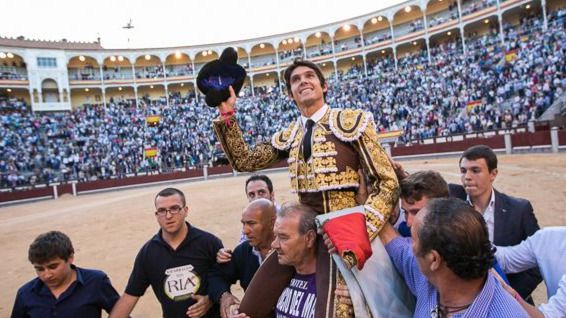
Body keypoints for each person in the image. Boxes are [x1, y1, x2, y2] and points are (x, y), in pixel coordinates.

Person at [211, 58, 399, 315]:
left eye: (309, 76)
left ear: (324, 86)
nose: (303, 81)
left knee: (337, 309)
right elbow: (245, 160)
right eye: (296, 80)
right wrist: (227, 112)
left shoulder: (352, 121)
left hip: (346, 232)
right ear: (290, 93)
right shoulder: (290, 134)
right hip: (302, 229)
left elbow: (387, 182)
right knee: (251, 306)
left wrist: (361, 228)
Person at [380, 197, 528, 317]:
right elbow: (394, 242)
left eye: (413, 240)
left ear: (434, 260)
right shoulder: (429, 277)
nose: (410, 246)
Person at [109, 187, 223, 318]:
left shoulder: (208, 243)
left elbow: (225, 280)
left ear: (186, 211)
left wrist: (210, 299)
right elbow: (130, 296)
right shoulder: (148, 253)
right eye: (162, 211)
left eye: (174, 208)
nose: (168, 216)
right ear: (156, 215)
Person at [449, 144, 541, 301]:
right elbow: (424, 187)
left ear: (493, 174)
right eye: (463, 171)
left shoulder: (519, 209)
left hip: (511, 299)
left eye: (475, 170)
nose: (467, 177)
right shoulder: (451, 201)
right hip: (466, 301)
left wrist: (510, 296)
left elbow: (537, 262)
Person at [11, 231, 120, 318]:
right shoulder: (25, 294)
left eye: (53, 267)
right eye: (39, 269)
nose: (47, 275)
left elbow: (121, 312)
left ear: (70, 258)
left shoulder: (96, 282)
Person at [208, 199, 276, 318]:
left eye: (251, 223)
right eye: (243, 224)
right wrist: (224, 296)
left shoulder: (290, 251)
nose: (245, 231)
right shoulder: (244, 251)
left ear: (272, 223)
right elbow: (216, 276)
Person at [495, 226, 566, 317]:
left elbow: (549, 316)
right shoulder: (549, 238)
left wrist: (513, 296)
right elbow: (506, 259)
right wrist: (476, 237)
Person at [396, 170, 449, 237]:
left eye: (417, 213)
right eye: (405, 212)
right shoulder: (404, 230)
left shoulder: (458, 241)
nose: (409, 223)